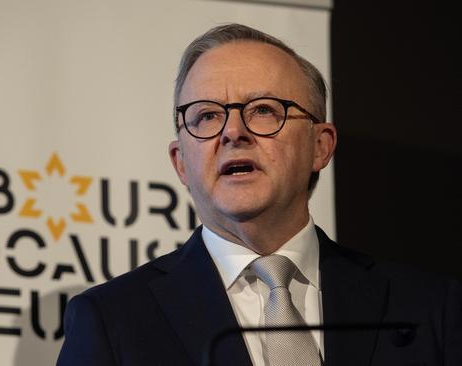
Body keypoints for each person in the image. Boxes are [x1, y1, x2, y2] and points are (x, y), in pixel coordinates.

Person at [56, 23, 462, 366]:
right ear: (181, 162)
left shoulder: (428, 309)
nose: (233, 132)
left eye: (264, 109)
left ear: (320, 146)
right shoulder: (113, 321)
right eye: (207, 115)